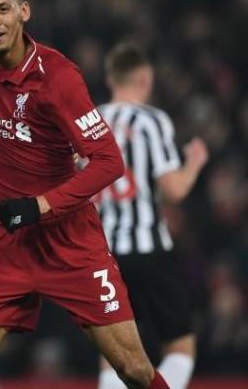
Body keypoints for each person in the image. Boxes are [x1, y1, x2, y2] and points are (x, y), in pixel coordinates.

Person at [0, 0, 171, 389]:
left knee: (135, 371)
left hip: (69, 239)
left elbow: (108, 162)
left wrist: (38, 207)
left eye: (3, 9)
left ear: (23, 12)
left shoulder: (58, 78)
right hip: (5, 237)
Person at [95, 43, 209, 389]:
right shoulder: (150, 120)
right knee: (180, 345)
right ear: (144, 79)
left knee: (114, 350)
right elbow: (174, 189)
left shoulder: (91, 120)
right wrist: (194, 164)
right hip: (150, 249)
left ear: (110, 78)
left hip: (103, 253)